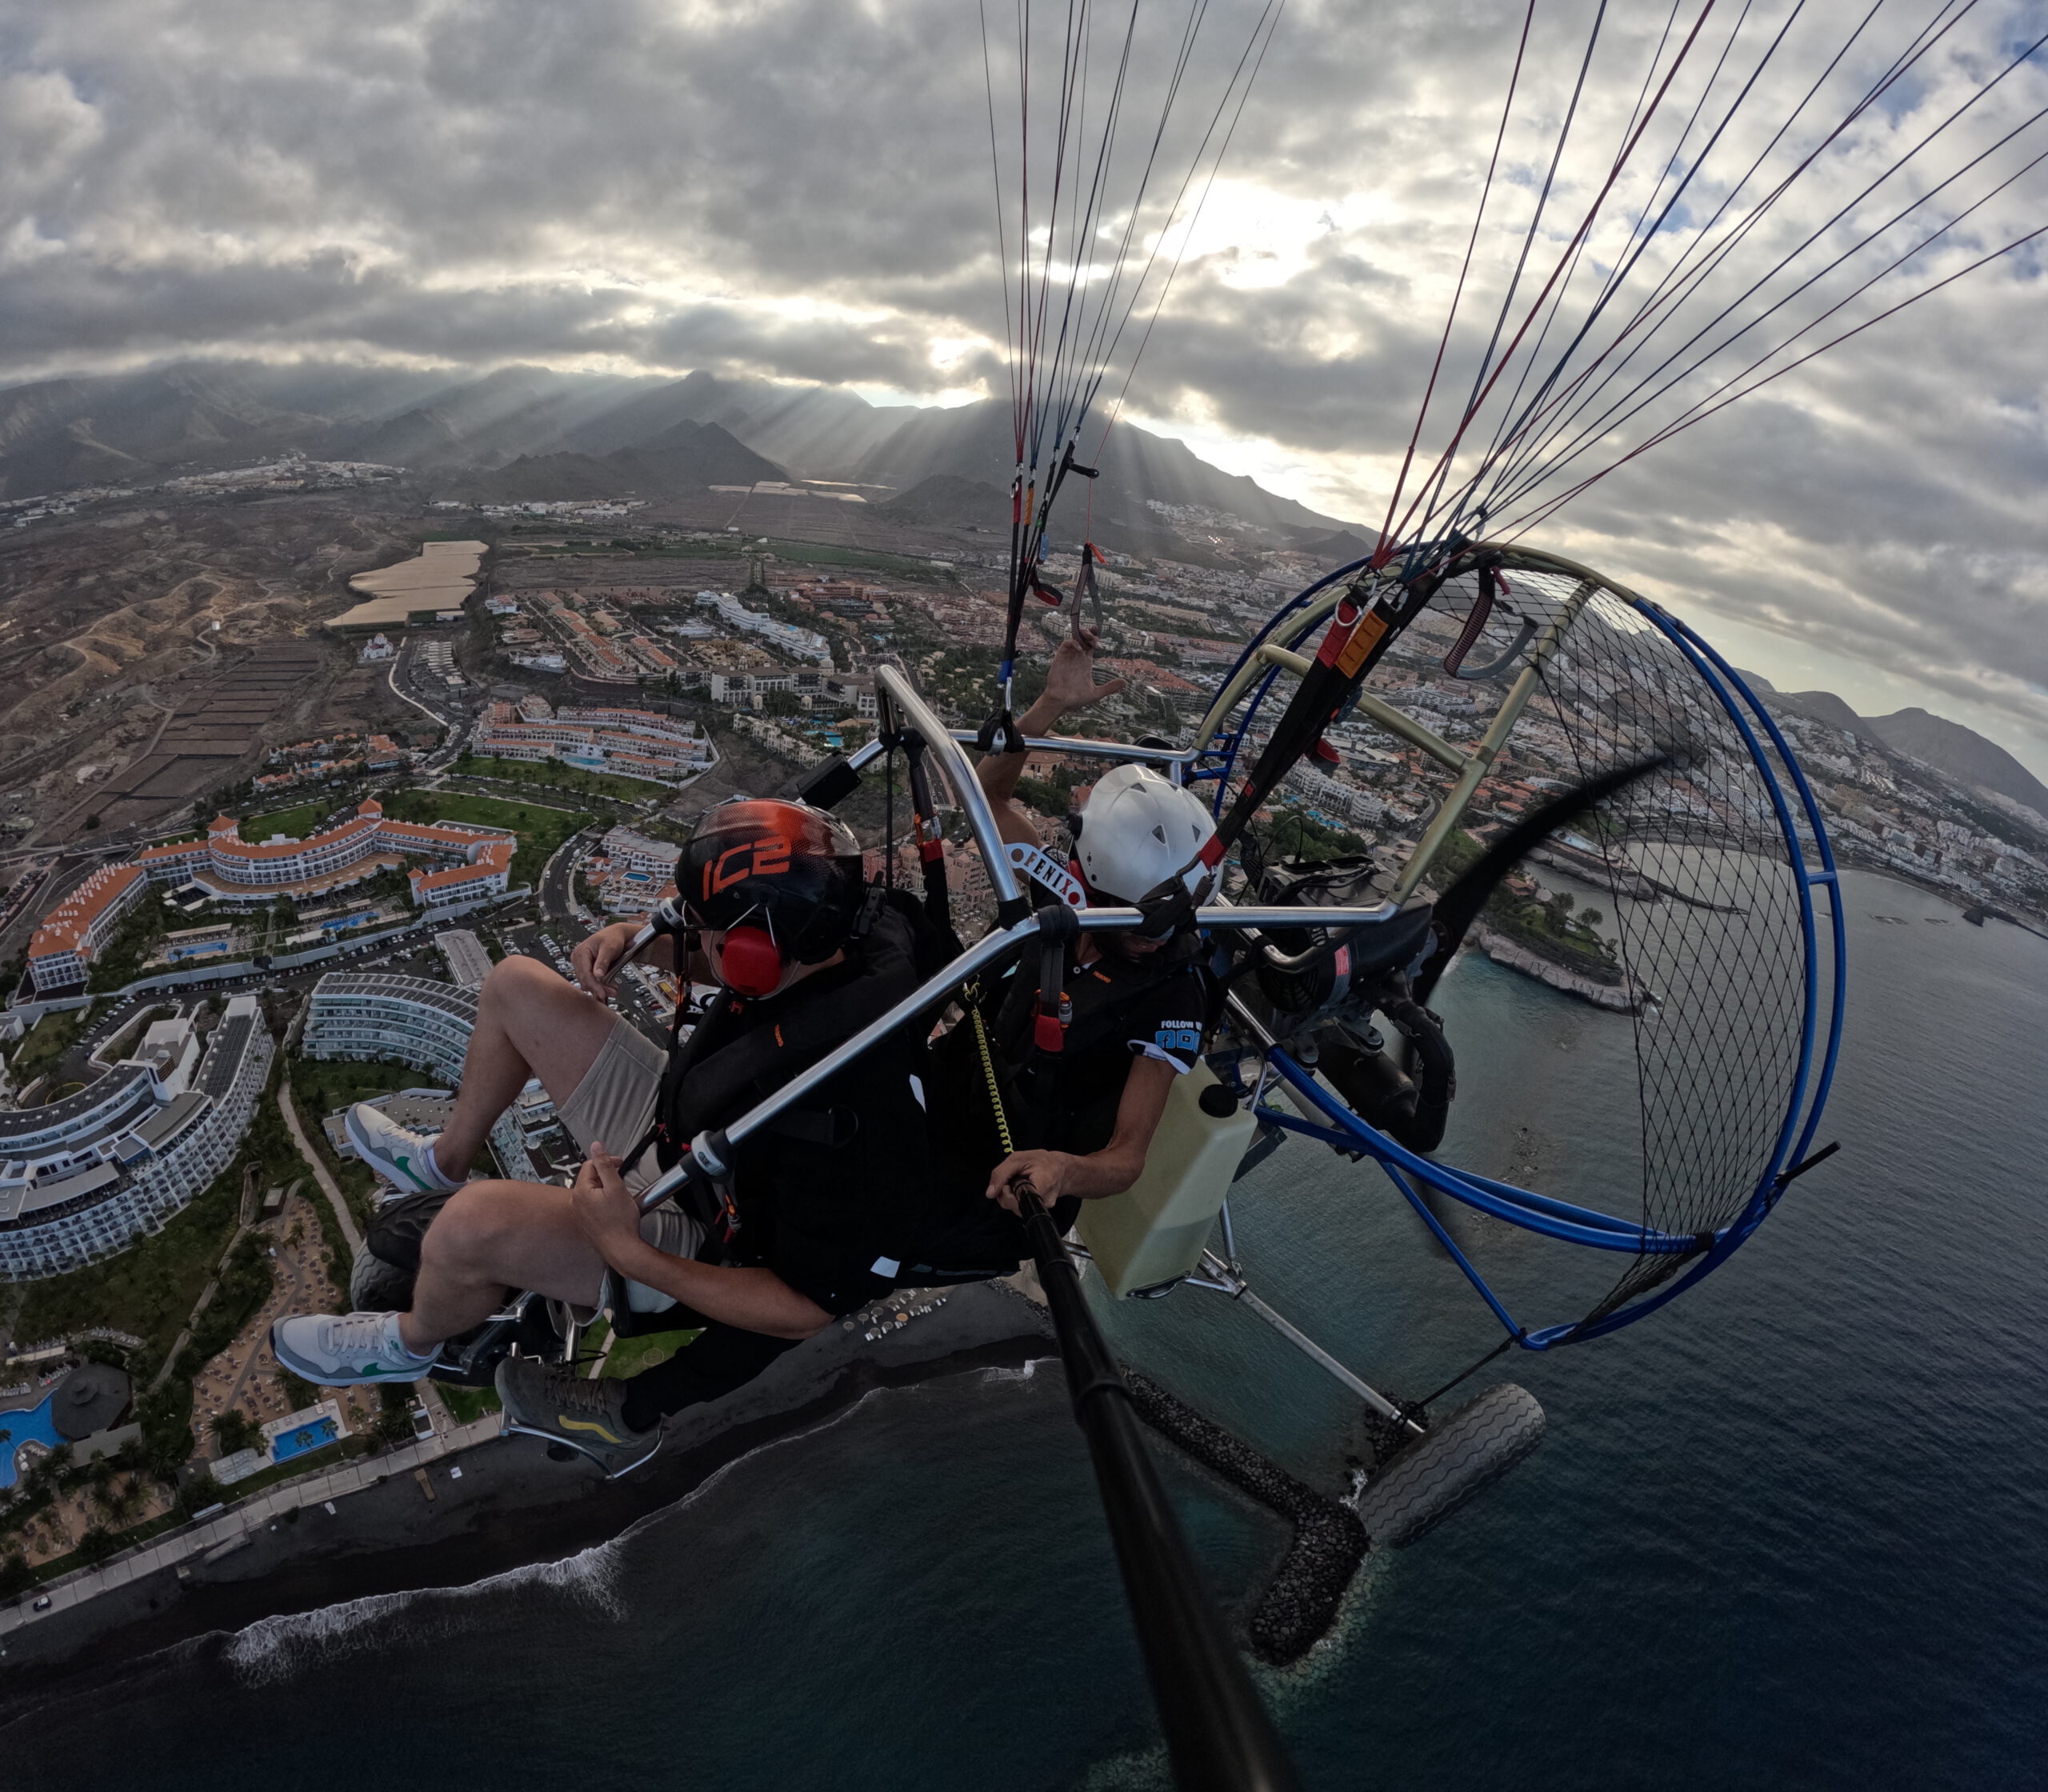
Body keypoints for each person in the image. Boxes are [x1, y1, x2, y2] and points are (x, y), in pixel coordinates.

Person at [270, 798, 957, 1475]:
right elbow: (733, 961)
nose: (689, 932)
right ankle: (440, 1163)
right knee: (515, 985)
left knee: (469, 1228)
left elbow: (805, 1310)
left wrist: (627, 1250)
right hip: (696, 1136)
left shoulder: (858, 1110)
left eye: (702, 925)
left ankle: (411, 1342)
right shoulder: (840, 935)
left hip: (709, 1238)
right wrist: (635, 938)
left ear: (751, 950)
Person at [963, 630, 1221, 1224]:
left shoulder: (1173, 991)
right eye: (1136, 919)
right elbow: (987, 799)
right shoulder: (1068, 897)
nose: (1151, 937)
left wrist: (1065, 1170)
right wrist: (1049, 705)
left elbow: (1128, 1157)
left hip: (1026, 1178)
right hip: (969, 1088)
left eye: (1165, 923)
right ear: (1089, 883)